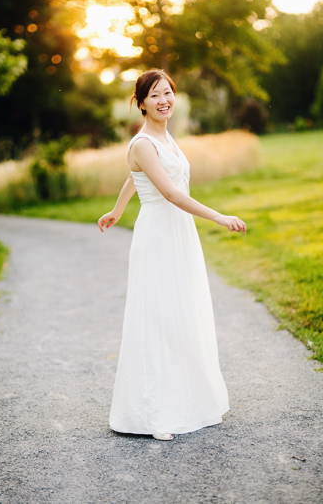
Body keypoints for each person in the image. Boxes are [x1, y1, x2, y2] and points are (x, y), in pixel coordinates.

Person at [98, 69, 246, 441]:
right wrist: (218, 216)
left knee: (183, 312)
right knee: (159, 318)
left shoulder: (162, 138)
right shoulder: (143, 143)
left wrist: (117, 210)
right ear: (141, 103)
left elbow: (137, 178)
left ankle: (190, 402)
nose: (164, 100)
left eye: (168, 93)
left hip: (180, 234)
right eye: (155, 95)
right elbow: (170, 193)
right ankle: (154, 416)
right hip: (159, 236)